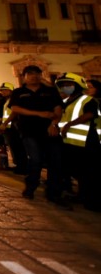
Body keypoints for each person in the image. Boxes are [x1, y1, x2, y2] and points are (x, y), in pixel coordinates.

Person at [8, 65, 70, 209]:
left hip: (50, 131)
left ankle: (54, 193)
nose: (34, 76)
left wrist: (54, 124)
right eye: (30, 74)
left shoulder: (50, 92)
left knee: (55, 161)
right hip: (29, 131)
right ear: (24, 77)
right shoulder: (19, 92)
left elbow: (58, 110)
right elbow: (15, 109)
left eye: (37, 73)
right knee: (35, 159)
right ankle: (31, 186)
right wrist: (39, 114)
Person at [56, 73, 98, 203]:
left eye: (69, 84)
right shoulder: (64, 101)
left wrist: (70, 124)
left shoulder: (87, 100)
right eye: (63, 85)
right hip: (69, 141)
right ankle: (81, 194)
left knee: (87, 172)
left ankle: (90, 198)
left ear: (78, 85)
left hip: (86, 141)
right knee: (76, 171)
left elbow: (90, 114)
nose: (65, 87)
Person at [0, 82, 27, 174]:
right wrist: (2, 120)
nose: (2, 92)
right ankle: (19, 165)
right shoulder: (8, 100)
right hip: (8, 127)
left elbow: (14, 113)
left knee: (18, 147)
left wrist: (5, 123)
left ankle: (22, 167)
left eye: (4, 90)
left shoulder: (14, 99)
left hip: (13, 127)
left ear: (10, 90)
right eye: (1, 91)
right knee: (14, 148)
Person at [82, 79, 101, 211]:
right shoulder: (84, 101)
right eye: (86, 87)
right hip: (87, 138)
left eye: (90, 87)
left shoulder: (96, 102)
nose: (88, 89)